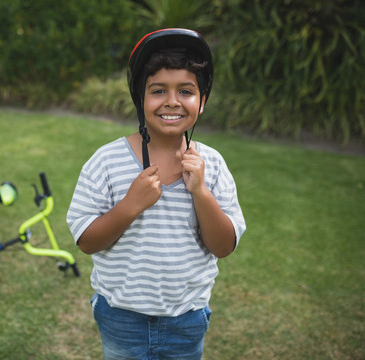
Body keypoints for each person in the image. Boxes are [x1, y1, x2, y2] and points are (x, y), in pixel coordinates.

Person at [67, 28, 246, 360]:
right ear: (140, 98)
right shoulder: (106, 162)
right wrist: (131, 205)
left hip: (187, 317)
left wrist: (201, 193)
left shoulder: (213, 165)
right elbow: (86, 241)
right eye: (158, 90)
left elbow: (222, 246)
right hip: (121, 316)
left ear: (202, 101)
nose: (172, 101)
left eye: (186, 91)